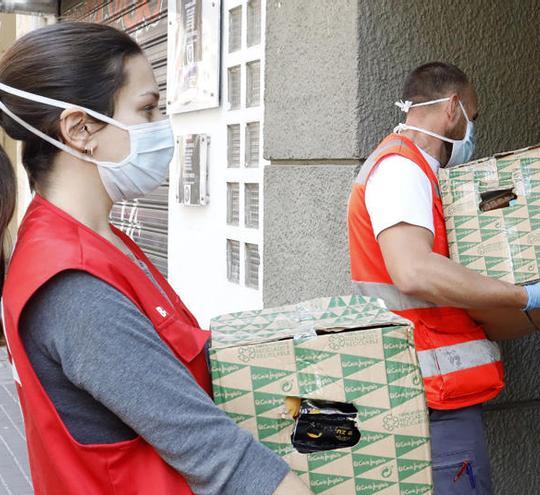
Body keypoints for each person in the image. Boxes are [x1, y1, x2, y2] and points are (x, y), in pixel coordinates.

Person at [0, 23, 311, 495]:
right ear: (80, 128)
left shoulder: (103, 241)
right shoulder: (72, 285)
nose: (162, 128)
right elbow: (219, 458)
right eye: (147, 109)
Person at [346, 62, 540, 494]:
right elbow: (413, 270)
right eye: (474, 117)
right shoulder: (401, 170)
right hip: (425, 398)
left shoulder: (421, 172)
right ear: (453, 108)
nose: (473, 129)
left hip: (430, 393)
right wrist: (522, 296)